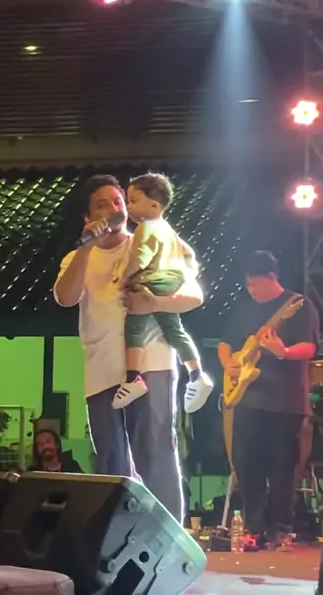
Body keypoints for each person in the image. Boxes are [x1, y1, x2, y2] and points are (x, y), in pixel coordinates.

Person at [53, 174, 203, 522]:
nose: (113, 208)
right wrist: (87, 246)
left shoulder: (153, 239)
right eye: (101, 205)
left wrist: (155, 304)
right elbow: (65, 297)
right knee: (110, 459)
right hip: (101, 367)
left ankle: (169, 537)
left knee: (155, 451)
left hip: (151, 362)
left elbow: (194, 295)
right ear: (88, 217)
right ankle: (116, 536)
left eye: (118, 201)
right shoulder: (79, 256)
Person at [217, 250, 320, 548]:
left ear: (273, 277)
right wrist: (228, 362)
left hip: (285, 402)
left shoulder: (298, 306)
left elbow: (310, 347)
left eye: (256, 284)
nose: (251, 290)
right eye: (248, 284)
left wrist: (283, 352)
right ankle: (254, 527)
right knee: (246, 463)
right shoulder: (245, 309)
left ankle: (280, 529)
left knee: (282, 467)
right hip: (248, 400)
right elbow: (225, 343)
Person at [111, 172, 213, 413]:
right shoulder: (167, 229)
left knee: (134, 327)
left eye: (134, 200)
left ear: (154, 205)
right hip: (172, 280)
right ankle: (196, 373)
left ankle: (133, 378)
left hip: (152, 280)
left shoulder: (145, 227)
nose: (129, 206)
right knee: (173, 329)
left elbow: (140, 258)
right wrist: (188, 271)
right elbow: (188, 253)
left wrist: (124, 278)